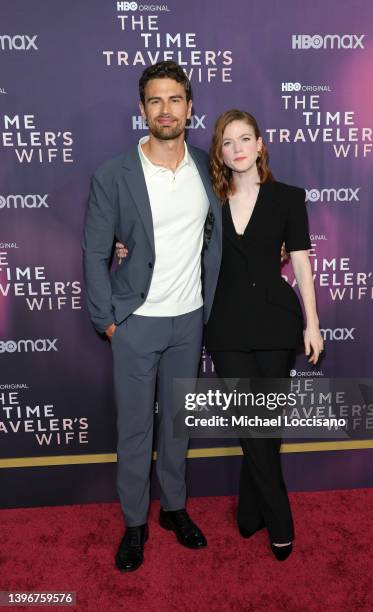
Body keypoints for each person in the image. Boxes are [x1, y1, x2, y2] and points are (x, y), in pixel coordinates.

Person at [116, 109, 323, 561]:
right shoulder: (209, 197)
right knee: (253, 421)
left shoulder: (289, 197)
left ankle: (251, 510)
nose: (238, 149)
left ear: (261, 144)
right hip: (225, 325)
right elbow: (166, 231)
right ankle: (280, 518)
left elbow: (302, 263)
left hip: (276, 323)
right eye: (227, 142)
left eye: (245, 139)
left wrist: (313, 324)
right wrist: (126, 245)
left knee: (265, 423)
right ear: (220, 152)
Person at [82, 61, 222, 573]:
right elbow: (96, 252)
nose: (166, 110)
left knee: (178, 428)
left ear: (190, 107)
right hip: (136, 321)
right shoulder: (113, 173)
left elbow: (226, 229)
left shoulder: (208, 168)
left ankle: (176, 510)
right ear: (142, 109)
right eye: (155, 100)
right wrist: (108, 321)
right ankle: (135, 523)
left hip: (189, 321)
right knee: (136, 430)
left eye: (175, 99)